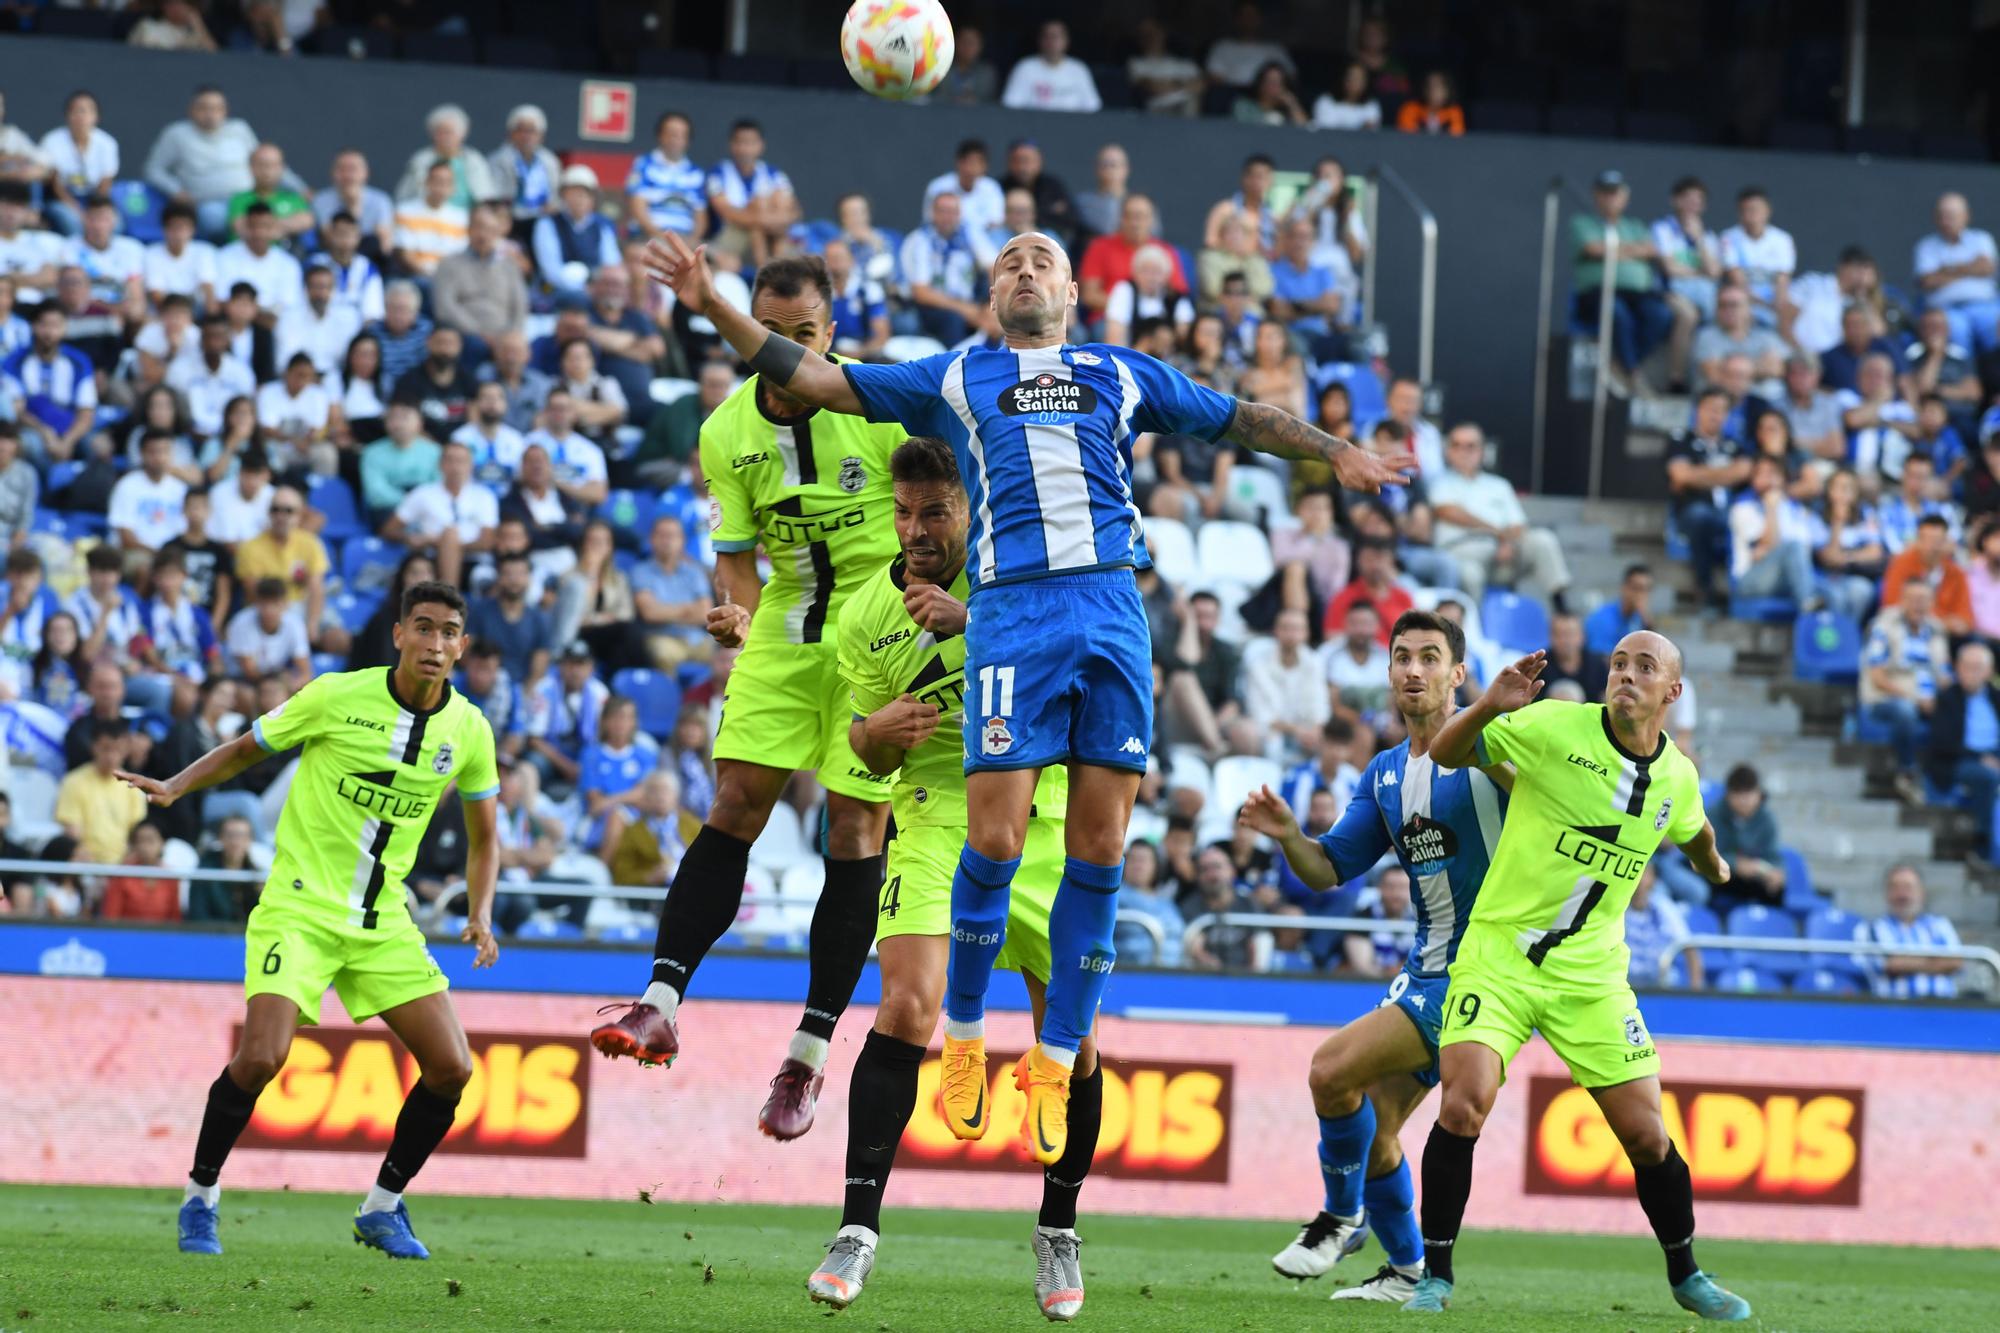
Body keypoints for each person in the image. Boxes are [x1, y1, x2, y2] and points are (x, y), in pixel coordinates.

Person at [641, 221, 1412, 1160]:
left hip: (1111, 608)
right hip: (1010, 613)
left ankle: (1050, 1057)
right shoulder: (958, 376)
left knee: (1099, 848)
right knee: (995, 837)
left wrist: (1335, 450)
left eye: (1043, 257)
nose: (1025, 266)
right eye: (1008, 258)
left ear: (1073, 295)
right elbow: (817, 379)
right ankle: (963, 1034)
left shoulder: (1120, 371)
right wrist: (713, 302)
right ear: (991, 296)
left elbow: (1237, 415)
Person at [588, 256, 909, 1138]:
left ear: (828, 336)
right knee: (733, 802)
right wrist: (730, 604)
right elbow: (737, 548)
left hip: (877, 640)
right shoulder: (725, 432)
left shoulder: (878, 405)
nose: (783, 351)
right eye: (771, 333)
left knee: (853, 828)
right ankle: (659, 1000)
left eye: (802, 337)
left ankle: (805, 1058)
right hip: (782, 630)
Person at [118, 580, 500, 1261]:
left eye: (448, 632)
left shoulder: (468, 728)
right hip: (298, 906)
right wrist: (177, 784)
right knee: (262, 1056)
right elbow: (245, 748)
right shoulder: (334, 695)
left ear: (461, 646)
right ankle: (200, 1197)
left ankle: (382, 1206)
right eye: (423, 627)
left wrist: (480, 911)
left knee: (452, 1067)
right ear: (398, 634)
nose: (435, 644)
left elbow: (486, 834)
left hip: (383, 921)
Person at [808, 438, 1099, 1318]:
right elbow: (855, 743)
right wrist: (872, 733)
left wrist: (975, 624)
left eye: (935, 512)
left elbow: (1085, 663)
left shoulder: (1023, 574)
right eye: (903, 513)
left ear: (970, 508)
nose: (917, 530)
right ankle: (857, 1229)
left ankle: (1058, 1229)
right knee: (906, 1006)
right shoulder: (862, 614)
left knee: (1073, 1042)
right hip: (936, 812)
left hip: (1043, 818)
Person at [1408, 636, 1749, 1319]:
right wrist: (1488, 707)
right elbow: (1443, 751)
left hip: (1592, 978)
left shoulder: (1677, 777)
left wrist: (1717, 868)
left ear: (1671, 694)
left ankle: (1687, 1273)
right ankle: (1435, 1275)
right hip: (1500, 955)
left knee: (1649, 1137)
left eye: (1644, 668)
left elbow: (1696, 830)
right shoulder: (1555, 724)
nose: (1625, 675)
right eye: (1619, 664)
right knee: (1463, 1102)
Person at [1240, 609, 1507, 1303]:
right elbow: (1328, 868)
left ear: (1458, 672)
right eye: (1401, 657)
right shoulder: (1387, 773)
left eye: (1428, 656)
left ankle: (1340, 1213)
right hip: (1427, 966)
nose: (1412, 669)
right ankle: (1406, 1270)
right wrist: (1290, 834)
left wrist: (1490, 713)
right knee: (1379, 1130)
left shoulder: (1493, 751)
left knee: (1330, 1070)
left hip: (1482, 974)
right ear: (1388, 673)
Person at [1428, 422, 1573, 605]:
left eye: (1470, 446)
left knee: (1543, 539)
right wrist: (1497, 533)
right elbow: (1449, 511)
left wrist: (1506, 542)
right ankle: (1474, 630)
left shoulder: (1499, 484)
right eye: (1457, 445)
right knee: (1471, 574)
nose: (1464, 451)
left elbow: (1518, 524)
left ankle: (1561, 606)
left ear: (1482, 451)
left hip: (1503, 553)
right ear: (1448, 452)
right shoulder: (1440, 481)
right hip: (1462, 552)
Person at [1571, 170, 1671, 388]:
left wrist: (1613, 250)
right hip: (1597, 292)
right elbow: (1594, 249)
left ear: (1625, 197)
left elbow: (1651, 250)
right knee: (1616, 313)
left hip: (1638, 294)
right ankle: (1632, 372)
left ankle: (1623, 364)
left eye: (1615, 193)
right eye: (1605, 193)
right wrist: (1632, 251)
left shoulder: (1634, 226)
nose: (1610, 198)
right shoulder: (1583, 222)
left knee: (1661, 315)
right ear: (1596, 196)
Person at [141, 88, 258, 241]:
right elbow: (153, 170)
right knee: (214, 219)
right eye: (204, 108)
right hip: (208, 204)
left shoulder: (240, 129)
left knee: (272, 215)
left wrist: (297, 188)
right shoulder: (177, 134)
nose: (210, 114)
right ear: (191, 110)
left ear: (226, 111)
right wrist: (176, 191)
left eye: (217, 108)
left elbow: (266, 162)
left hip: (249, 199)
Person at [1925, 641, 2000, 848]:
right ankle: (1982, 841)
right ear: (1957, 668)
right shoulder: (1948, 698)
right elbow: (1943, 743)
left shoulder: (1996, 697)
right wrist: (1981, 758)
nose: (1971, 673)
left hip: (1994, 756)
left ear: (1989, 671)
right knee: (1988, 776)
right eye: (1967, 667)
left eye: (1978, 668)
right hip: (1959, 760)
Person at [1913, 192, 2000, 356]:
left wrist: (1946, 270)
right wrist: (1970, 267)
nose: (1946, 221)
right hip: (1947, 310)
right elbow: (1927, 280)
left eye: (1951, 216)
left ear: (1966, 216)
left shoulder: (1981, 238)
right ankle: (1964, 376)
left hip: (1986, 306)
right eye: (1942, 215)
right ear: (1935, 218)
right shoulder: (1926, 246)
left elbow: (1987, 268)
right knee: (1957, 328)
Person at [704, 119, 797, 271]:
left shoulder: (774, 174)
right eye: (741, 142)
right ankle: (768, 274)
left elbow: (794, 212)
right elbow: (728, 212)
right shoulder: (718, 172)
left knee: (775, 203)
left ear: (761, 145)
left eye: (751, 143)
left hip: (771, 235)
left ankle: (774, 271)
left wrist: (769, 220)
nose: (745, 149)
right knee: (759, 206)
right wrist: (760, 217)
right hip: (731, 237)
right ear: (732, 145)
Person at [1728, 454, 1819, 607]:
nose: (1766, 479)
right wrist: (1771, 508)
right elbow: (1765, 549)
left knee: (1831, 592)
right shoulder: (1743, 508)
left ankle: (1818, 617)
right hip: (1750, 579)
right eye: (1760, 474)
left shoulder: (1796, 510)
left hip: (1787, 578)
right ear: (1753, 480)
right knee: (1793, 548)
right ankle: (1808, 606)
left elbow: (1806, 552)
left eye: (1771, 473)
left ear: (1783, 478)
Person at [433, 204, 527, 347]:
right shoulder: (449, 264)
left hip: (504, 337)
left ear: (498, 234)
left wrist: (510, 335)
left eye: (490, 230)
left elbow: (520, 307)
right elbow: (445, 308)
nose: (483, 234)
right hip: (466, 335)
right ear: (468, 230)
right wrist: (478, 333)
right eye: (478, 227)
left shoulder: (509, 266)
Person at [1865, 865, 1963, 998]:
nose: (1902, 894)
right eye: (1895, 888)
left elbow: (1955, 962)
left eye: (1908, 887)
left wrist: (1906, 962)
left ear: (1921, 892)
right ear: (1887, 894)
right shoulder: (1874, 927)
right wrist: (1936, 961)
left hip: (1941, 1008)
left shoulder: (1940, 924)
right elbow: (1890, 965)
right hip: (1892, 1009)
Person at [532, 165, 621, 294]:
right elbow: (551, 272)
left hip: (596, 291)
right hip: (558, 293)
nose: (579, 199)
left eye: (585, 194)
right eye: (573, 193)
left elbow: (612, 265)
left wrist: (594, 285)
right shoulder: (547, 223)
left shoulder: (602, 226)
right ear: (563, 195)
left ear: (593, 198)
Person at [395, 104, 500, 209]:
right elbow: (404, 195)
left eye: (449, 132)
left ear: (462, 134)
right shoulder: (420, 160)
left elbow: (486, 195)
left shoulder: (474, 160)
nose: (445, 137)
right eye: (440, 132)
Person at [1719, 186, 1795, 329]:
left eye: (1756, 209)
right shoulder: (1729, 238)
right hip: (1744, 301)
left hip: (1774, 304)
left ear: (1768, 211)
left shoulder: (1783, 239)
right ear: (1740, 213)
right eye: (1747, 210)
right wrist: (1760, 305)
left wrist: (1777, 305)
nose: (1752, 215)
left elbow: (1783, 280)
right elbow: (1737, 280)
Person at [486, 105, 559, 241]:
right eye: (521, 130)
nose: (526, 136)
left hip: (541, 220)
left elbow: (555, 196)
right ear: (511, 133)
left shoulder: (549, 161)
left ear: (541, 136)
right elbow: (494, 197)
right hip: (510, 219)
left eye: (532, 131)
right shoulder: (499, 159)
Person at [1001, 20, 1101, 113]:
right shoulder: (1025, 68)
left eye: (1056, 37)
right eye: (1047, 36)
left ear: (1066, 41)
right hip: (1033, 127)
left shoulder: (1079, 69)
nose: (1051, 41)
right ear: (1040, 40)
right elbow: (1010, 106)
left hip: (1072, 126)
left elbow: (1093, 107)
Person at [392, 161, 469, 280]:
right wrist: (431, 276)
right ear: (426, 182)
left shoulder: (462, 218)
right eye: (437, 180)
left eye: (447, 182)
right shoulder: (404, 212)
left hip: (451, 279)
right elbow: (405, 255)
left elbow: (462, 257)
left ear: (453, 187)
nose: (442, 186)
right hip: (418, 278)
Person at [1587, 564, 1653, 656]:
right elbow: (1600, 661)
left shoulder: (1639, 619)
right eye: (1637, 588)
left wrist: (1647, 622)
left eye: (1646, 590)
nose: (1641, 595)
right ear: (1624, 588)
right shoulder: (1602, 619)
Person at [1313, 60, 1384, 130]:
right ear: (1343, 78)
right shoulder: (1326, 101)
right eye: (1351, 78)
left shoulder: (1371, 104)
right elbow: (1324, 130)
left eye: (1359, 79)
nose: (1354, 82)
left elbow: (1372, 131)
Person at [1395, 70, 1465, 135]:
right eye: (1429, 86)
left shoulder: (1454, 111)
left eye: (1438, 87)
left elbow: (1456, 137)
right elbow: (1407, 136)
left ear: (1447, 91)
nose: (1433, 91)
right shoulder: (1410, 109)